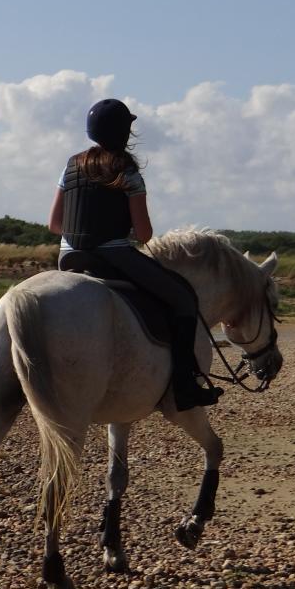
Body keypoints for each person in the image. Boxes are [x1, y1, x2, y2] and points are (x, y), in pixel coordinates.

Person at [47, 97, 222, 411]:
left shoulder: (70, 166)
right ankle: (184, 386)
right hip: (112, 258)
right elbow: (144, 235)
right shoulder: (128, 174)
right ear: (125, 134)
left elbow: (54, 223)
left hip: (68, 257)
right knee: (183, 298)